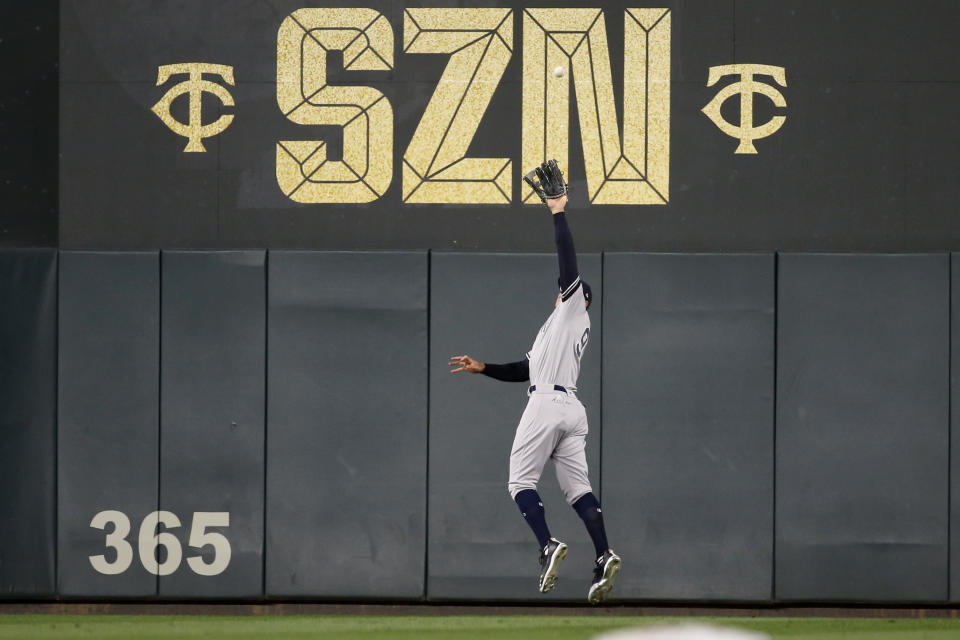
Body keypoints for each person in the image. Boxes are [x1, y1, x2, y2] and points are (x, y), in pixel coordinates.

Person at [449, 160, 620, 604]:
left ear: (581, 297)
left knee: (519, 482)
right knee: (578, 489)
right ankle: (603, 555)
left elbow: (568, 265)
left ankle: (547, 545)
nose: (560, 289)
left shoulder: (572, 309)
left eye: (568, 288)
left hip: (547, 405)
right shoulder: (558, 328)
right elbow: (525, 369)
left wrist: (558, 210)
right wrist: (483, 367)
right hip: (570, 410)